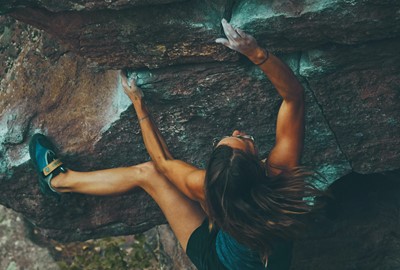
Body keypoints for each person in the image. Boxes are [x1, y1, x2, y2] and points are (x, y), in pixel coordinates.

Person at [29, 19, 321, 269]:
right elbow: (293, 97)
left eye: (239, 138)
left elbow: (164, 164)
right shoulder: (281, 179)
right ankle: (60, 181)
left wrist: (140, 106)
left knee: (149, 174)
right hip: (265, 256)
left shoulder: (206, 185)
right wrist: (256, 53)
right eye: (240, 138)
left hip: (218, 262)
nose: (238, 131)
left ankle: (59, 180)